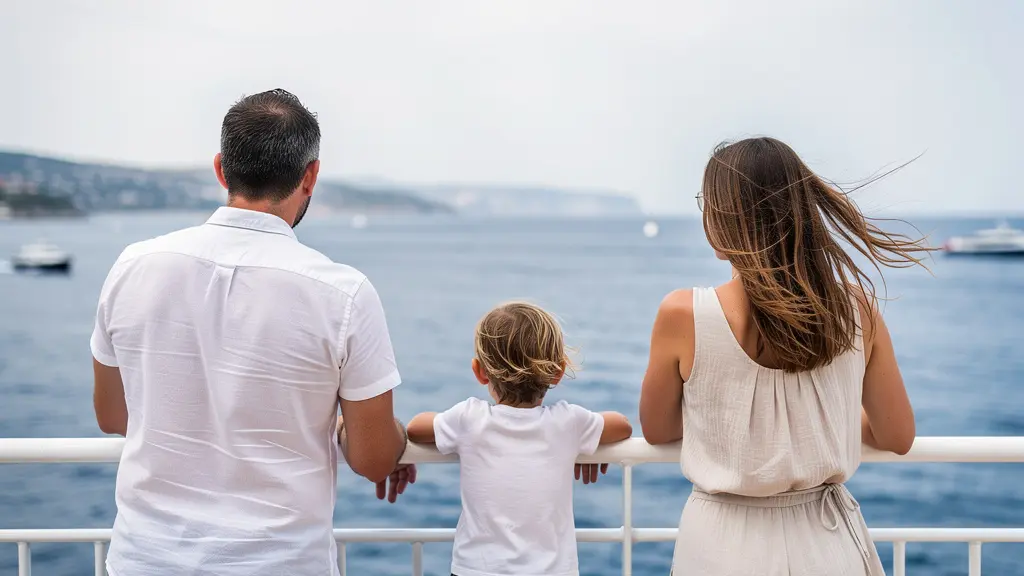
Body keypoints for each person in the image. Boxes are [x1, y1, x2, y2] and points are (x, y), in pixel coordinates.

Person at [90, 89, 412, 576]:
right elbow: (372, 460)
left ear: (221, 168)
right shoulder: (343, 293)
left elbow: (113, 416)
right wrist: (364, 430)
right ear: (310, 176)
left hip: (145, 560)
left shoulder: (134, 265)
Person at [639, 137, 928, 575]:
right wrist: (827, 421)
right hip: (828, 546)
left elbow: (659, 430)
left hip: (720, 548)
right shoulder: (858, 309)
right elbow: (897, 436)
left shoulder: (683, 314)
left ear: (726, 218)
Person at [406, 301, 633, 576]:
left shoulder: (468, 418)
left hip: (476, 570)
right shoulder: (568, 423)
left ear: (479, 372)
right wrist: (588, 445)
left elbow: (416, 428)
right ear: (558, 372)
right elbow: (622, 426)